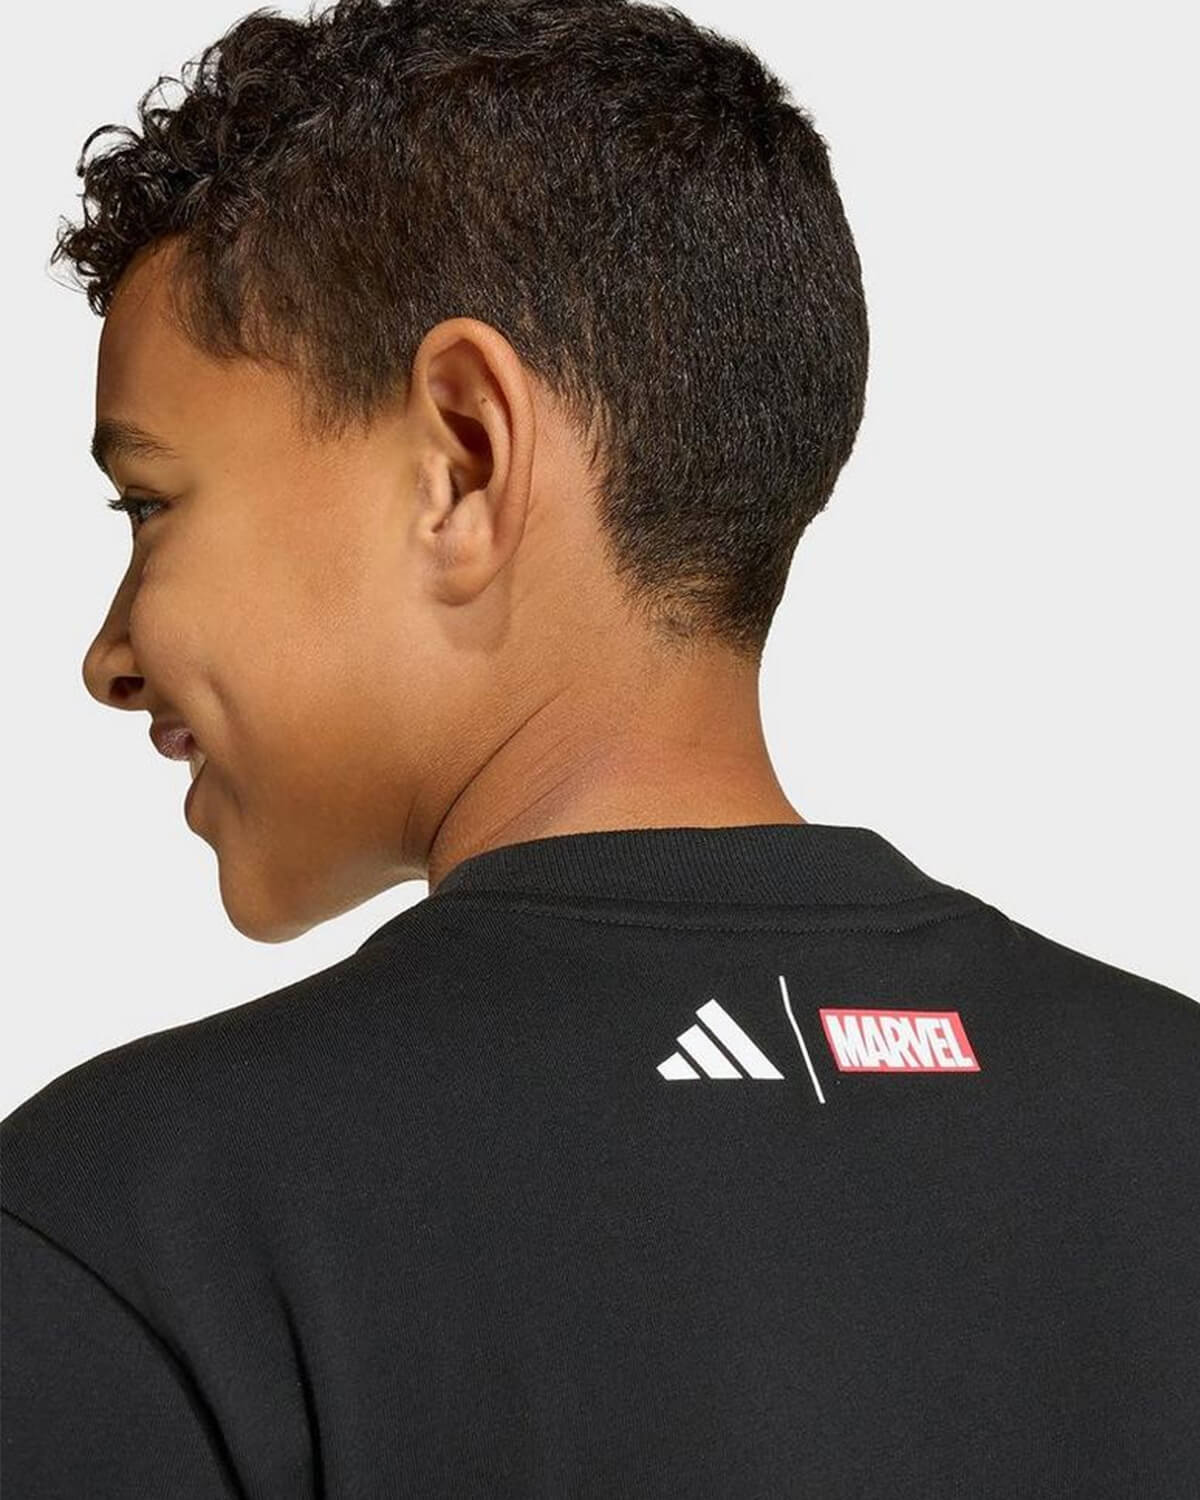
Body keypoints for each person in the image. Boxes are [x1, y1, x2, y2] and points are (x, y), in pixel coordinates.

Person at [3, 1, 1197, 1495]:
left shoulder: (138, 1233)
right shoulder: (1174, 1118)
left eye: (150, 505)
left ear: (463, 460)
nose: (110, 655)